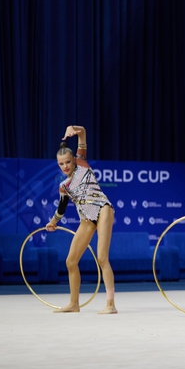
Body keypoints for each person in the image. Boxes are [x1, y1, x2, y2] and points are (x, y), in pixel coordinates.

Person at [45, 125, 117, 314]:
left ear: (73, 160)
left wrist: (72, 129)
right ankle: (74, 304)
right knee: (70, 261)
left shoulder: (82, 164)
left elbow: (83, 132)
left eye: (68, 162)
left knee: (102, 257)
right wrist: (53, 221)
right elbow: (61, 208)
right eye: (61, 164)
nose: (65, 166)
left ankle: (110, 304)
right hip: (87, 218)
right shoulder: (64, 186)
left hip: (103, 209)